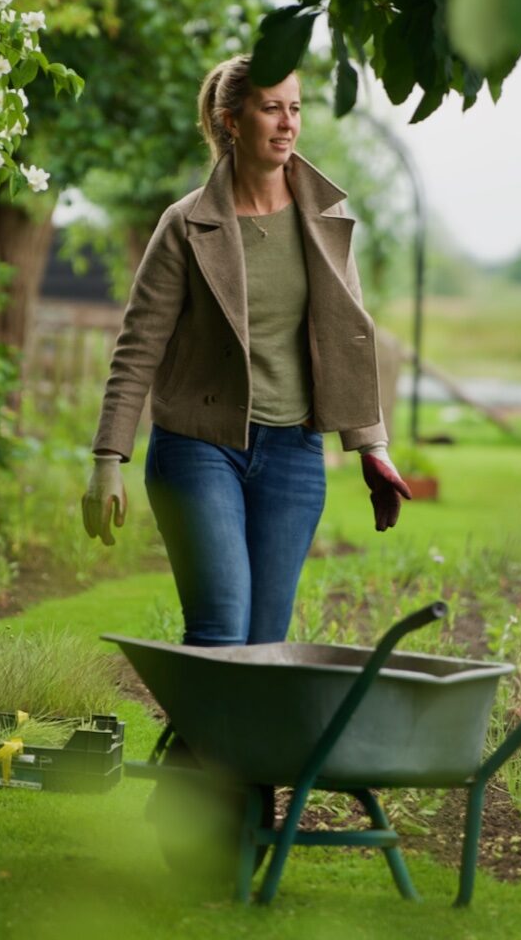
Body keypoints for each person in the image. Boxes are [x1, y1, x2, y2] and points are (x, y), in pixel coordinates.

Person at [81, 55, 411, 646]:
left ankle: (202, 743)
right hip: (199, 447)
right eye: (270, 109)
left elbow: (347, 340)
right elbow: (137, 348)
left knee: (264, 644)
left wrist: (373, 447)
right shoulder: (186, 225)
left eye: (295, 108)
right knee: (221, 625)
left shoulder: (325, 218)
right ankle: (198, 743)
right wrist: (109, 459)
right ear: (232, 121)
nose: (287, 123)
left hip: (294, 452)